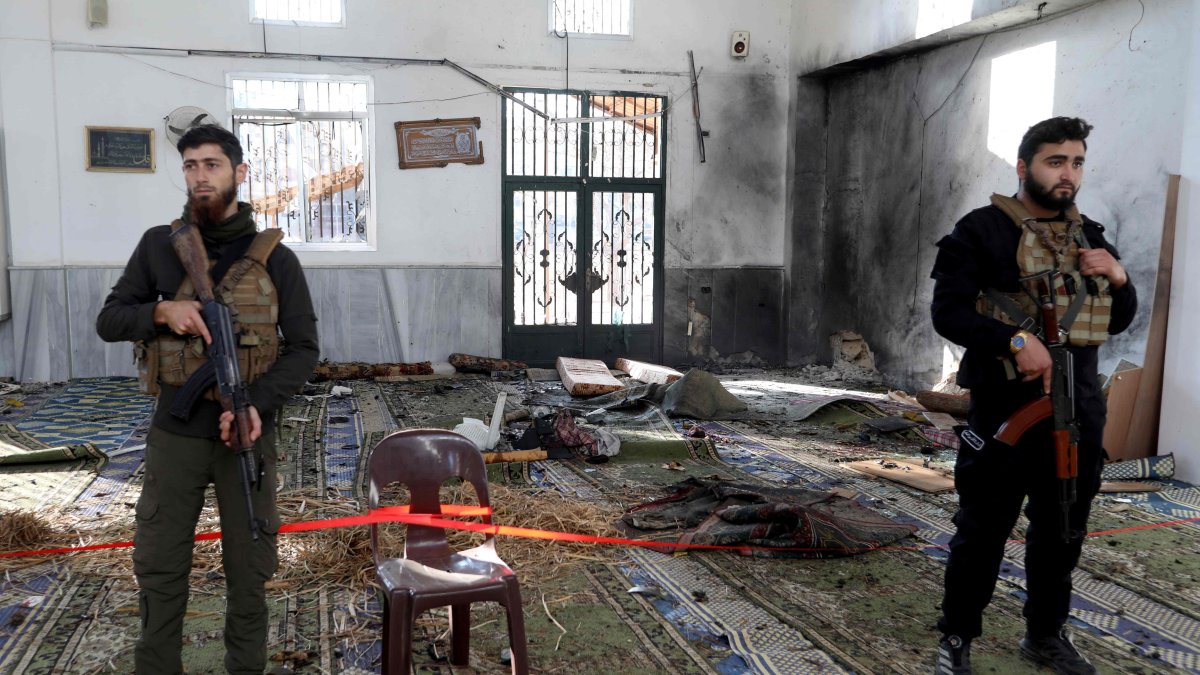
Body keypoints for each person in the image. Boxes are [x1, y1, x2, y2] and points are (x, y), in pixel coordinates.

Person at [97, 124, 319, 674]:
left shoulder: (277, 259)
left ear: (239, 172)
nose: (200, 175)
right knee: (160, 563)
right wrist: (160, 311)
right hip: (175, 434)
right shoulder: (159, 245)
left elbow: (305, 350)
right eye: (191, 165)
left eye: (212, 164)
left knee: (250, 566)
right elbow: (109, 319)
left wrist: (254, 403)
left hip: (246, 433)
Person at [929, 117, 1138, 675]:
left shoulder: (1090, 235)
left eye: (1077, 162)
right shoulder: (981, 231)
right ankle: (957, 635)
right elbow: (947, 312)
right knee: (983, 527)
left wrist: (1119, 277)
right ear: (1024, 167)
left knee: (1064, 526)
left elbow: (1117, 321)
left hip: (1079, 406)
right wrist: (1014, 340)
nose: (1068, 173)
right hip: (1005, 406)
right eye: (1055, 161)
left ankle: (1045, 634)